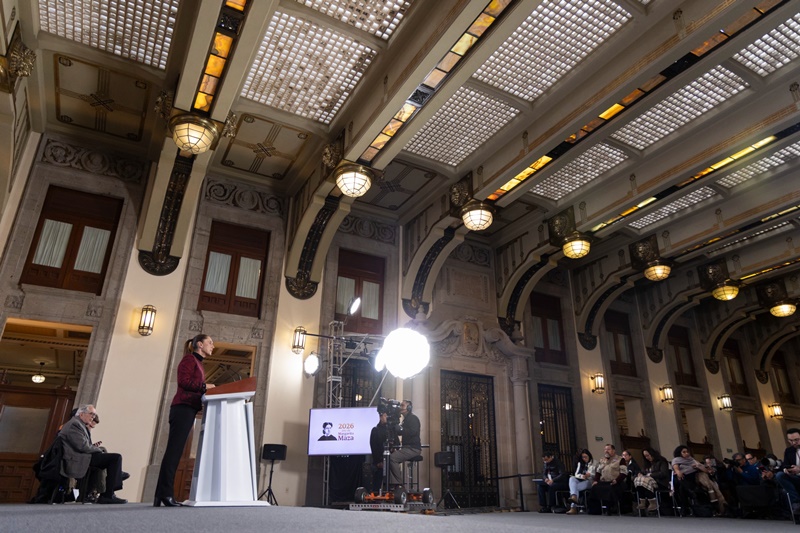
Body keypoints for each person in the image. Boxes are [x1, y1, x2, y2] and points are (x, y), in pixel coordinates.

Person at [154, 335, 216, 507]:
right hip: (182, 408)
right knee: (174, 452)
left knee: (174, 452)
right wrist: (205, 386)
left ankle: (161, 495)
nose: (213, 346)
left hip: (188, 409)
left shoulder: (199, 363)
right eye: (210, 343)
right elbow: (184, 382)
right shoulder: (189, 359)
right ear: (200, 344)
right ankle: (165, 494)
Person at [60, 405, 127, 504]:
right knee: (115, 458)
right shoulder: (75, 424)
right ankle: (109, 493)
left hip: (82, 456)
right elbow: (82, 446)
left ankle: (111, 487)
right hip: (77, 459)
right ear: (81, 414)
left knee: (110, 457)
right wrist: (98, 450)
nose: (93, 417)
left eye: (94, 415)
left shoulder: (80, 424)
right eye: (91, 414)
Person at [671, 445, 725, 515]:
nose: (686, 453)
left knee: (684, 488)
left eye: (687, 452)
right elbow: (677, 470)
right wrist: (679, 472)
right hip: (684, 478)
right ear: (679, 453)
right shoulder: (676, 460)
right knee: (682, 486)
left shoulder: (691, 459)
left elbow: (705, 470)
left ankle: (688, 507)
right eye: (684, 452)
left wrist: (697, 466)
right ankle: (689, 504)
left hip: (695, 479)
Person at [587, 443, 627, 514]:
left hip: (616, 482)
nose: (606, 451)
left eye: (608, 449)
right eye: (605, 449)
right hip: (604, 481)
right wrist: (596, 480)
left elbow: (623, 473)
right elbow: (598, 472)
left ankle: (610, 508)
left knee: (610, 488)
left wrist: (616, 480)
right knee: (594, 487)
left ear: (613, 450)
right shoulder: (602, 460)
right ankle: (595, 510)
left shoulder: (620, 459)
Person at [388, 400, 420, 488]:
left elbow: (413, 432)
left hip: (412, 448)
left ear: (409, 408)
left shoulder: (413, 418)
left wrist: (400, 429)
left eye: (402, 405)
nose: (400, 407)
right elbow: (399, 432)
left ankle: (398, 484)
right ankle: (392, 484)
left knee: (392, 458)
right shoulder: (405, 420)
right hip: (407, 448)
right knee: (389, 458)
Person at [633, 447, 670, 512]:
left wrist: (650, 475)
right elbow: (643, 471)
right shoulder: (647, 463)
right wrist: (640, 474)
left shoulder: (661, 461)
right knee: (638, 480)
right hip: (648, 482)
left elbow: (663, 473)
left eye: (648, 455)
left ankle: (652, 502)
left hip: (660, 482)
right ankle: (642, 501)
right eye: (645, 456)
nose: (647, 457)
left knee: (646, 481)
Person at [776, 427, 800, 515]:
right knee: (779, 475)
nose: (794, 443)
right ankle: (796, 502)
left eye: (796, 440)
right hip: (796, 478)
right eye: (791, 440)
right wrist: (787, 469)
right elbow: (785, 465)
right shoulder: (789, 450)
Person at [565, 449, 597, 514]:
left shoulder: (595, 462)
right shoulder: (580, 463)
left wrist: (589, 475)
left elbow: (597, 474)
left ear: (589, 456)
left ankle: (573, 507)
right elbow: (576, 474)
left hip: (590, 481)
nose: (584, 459)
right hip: (581, 479)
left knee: (574, 488)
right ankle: (574, 497)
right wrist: (582, 476)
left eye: (586, 457)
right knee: (572, 478)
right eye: (583, 457)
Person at [369, 412, 390, 492]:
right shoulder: (375, 430)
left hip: (390, 459)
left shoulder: (390, 430)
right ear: (380, 417)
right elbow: (374, 447)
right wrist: (378, 461)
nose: (386, 417)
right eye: (385, 415)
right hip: (379, 461)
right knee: (377, 482)